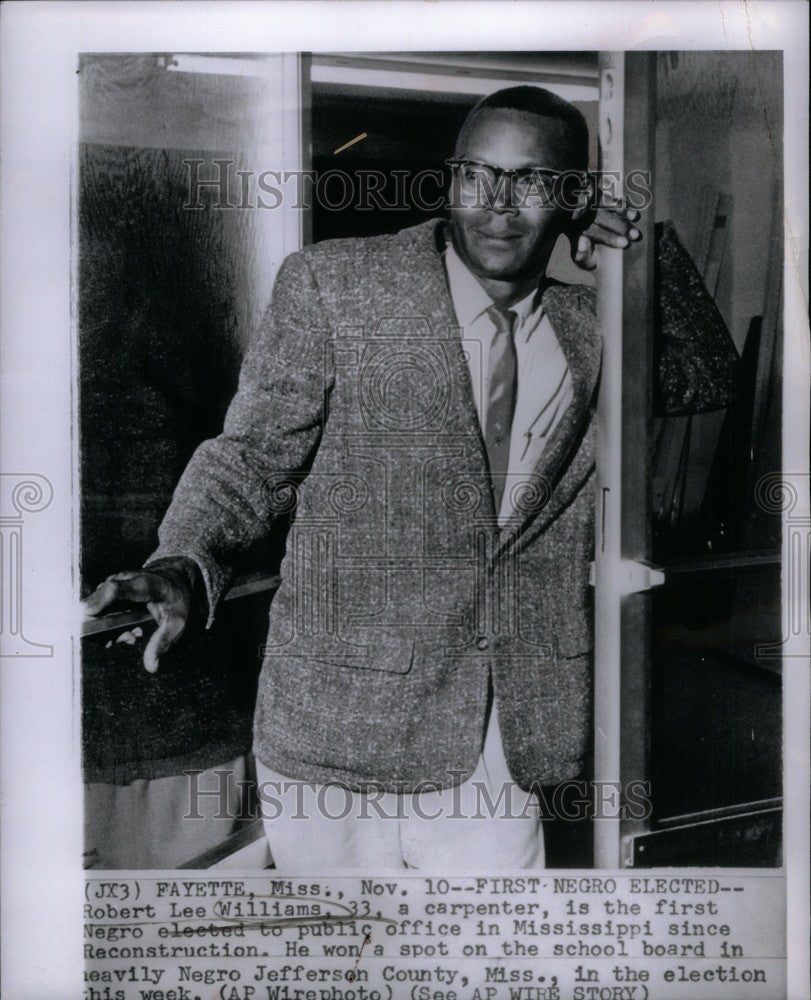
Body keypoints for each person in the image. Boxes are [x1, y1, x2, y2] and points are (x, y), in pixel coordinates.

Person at [83, 86, 643, 870]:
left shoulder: (592, 323)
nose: (499, 203)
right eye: (477, 174)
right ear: (450, 179)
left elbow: (699, 381)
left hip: (501, 734)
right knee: (341, 959)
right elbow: (251, 456)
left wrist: (638, 268)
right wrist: (182, 561)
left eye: (534, 181)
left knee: (488, 969)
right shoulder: (336, 287)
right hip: (336, 732)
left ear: (573, 198)